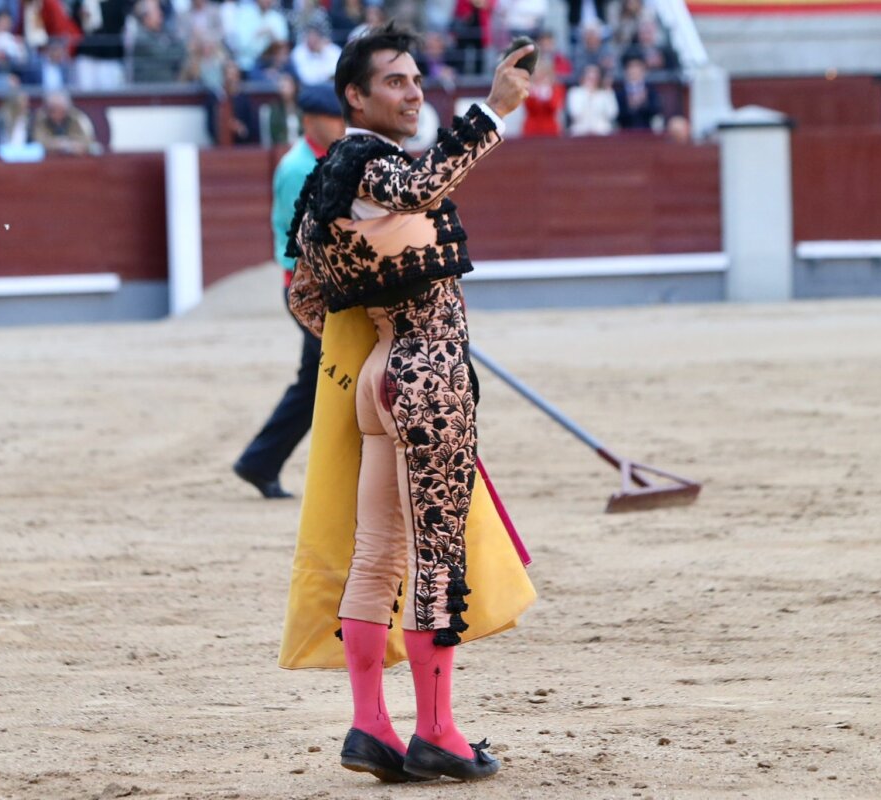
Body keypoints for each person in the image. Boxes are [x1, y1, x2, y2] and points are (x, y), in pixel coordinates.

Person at [284, 23, 532, 783]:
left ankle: (371, 727)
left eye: (417, 79)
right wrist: (491, 112)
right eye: (395, 81)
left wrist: (379, 338)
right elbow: (421, 186)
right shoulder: (371, 160)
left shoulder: (324, 180)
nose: (415, 91)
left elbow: (304, 295)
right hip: (428, 379)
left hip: (383, 378)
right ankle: (438, 732)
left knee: (379, 555)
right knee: (436, 560)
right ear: (355, 96)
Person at [232, 85, 346, 499]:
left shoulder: (319, 159)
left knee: (318, 382)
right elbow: (308, 239)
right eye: (335, 118)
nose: (341, 124)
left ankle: (260, 462)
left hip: (317, 289)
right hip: (313, 293)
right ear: (310, 120)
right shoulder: (302, 167)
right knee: (345, 379)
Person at [32, 89, 95, 154]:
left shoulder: (77, 117)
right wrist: (61, 144)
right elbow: (38, 142)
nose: (57, 114)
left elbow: (87, 141)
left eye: (61, 110)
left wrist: (68, 145)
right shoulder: (41, 118)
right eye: (53, 110)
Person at [566, 63, 616, 136]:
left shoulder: (605, 93)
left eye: (595, 77)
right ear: (583, 77)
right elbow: (575, 114)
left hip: (602, 133)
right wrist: (588, 95)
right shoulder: (575, 93)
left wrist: (609, 94)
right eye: (589, 77)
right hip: (580, 133)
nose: (592, 80)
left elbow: (612, 114)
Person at [615, 54, 659, 130]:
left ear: (643, 70)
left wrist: (644, 103)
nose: (634, 71)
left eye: (637, 67)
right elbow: (616, 115)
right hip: (625, 132)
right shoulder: (620, 92)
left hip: (646, 132)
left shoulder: (650, 90)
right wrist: (630, 106)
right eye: (631, 67)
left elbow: (655, 111)